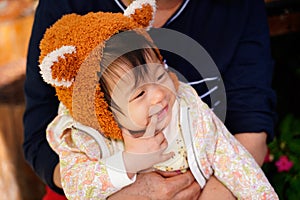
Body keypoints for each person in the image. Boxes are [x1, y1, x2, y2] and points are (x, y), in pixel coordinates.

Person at [23, 0, 276, 199]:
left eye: (161, 74)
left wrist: (218, 194)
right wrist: (123, 176)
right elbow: (66, 170)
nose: (158, 94)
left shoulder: (189, 108)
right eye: (139, 93)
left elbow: (244, 135)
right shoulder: (83, 136)